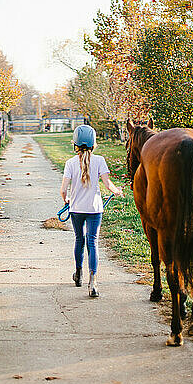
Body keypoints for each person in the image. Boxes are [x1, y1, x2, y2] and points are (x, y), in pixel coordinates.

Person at [60, 125, 124, 297]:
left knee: (79, 239)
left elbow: (63, 189)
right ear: (94, 144)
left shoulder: (70, 163)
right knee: (93, 242)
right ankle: (93, 282)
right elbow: (107, 184)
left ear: (75, 144)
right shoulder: (100, 160)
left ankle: (78, 274)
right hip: (95, 209)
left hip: (76, 209)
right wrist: (116, 191)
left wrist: (66, 199)